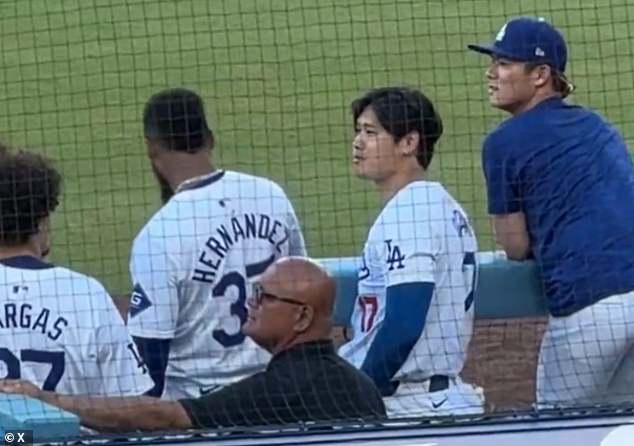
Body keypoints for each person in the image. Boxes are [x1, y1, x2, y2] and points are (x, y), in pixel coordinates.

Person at [0, 257, 386, 432]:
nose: (250, 302)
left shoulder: (279, 391)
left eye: (264, 296)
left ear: (302, 317)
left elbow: (165, 417)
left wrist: (52, 402)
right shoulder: (363, 388)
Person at [468, 16, 634, 407]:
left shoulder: (503, 143)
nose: (491, 73)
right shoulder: (598, 125)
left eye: (504, 63)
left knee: (557, 427)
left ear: (541, 74)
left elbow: (514, 246)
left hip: (589, 308)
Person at [128, 88, 307, 400]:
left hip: (201, 412)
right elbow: (305, 293)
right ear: (210, 139)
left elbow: (148, 360)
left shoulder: (157, 235)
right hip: (281, 397)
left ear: (151, 148)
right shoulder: (271, 196)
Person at [338, 87, 484, 417]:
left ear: (409, 143)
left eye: (371, 132)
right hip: (435, 397)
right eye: (358, 131)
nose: (358, 142)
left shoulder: (410, 212)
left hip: (407, 405)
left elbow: (404, 325)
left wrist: (360, 395)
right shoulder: (445, 206)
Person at [0, 147, 152, 396]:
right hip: (74, 436)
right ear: (42, 222)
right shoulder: (84, 293)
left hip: (6, 437)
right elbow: (133, 400)